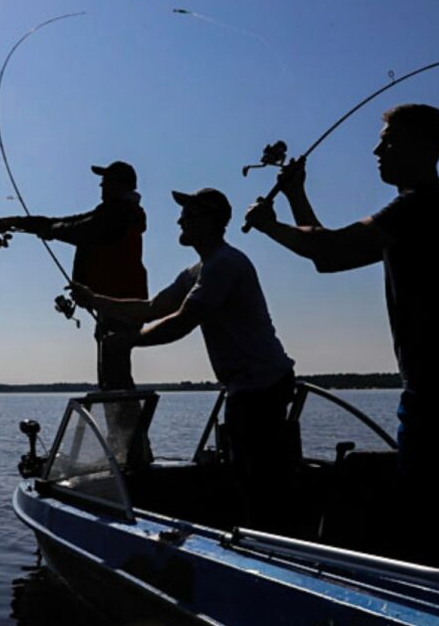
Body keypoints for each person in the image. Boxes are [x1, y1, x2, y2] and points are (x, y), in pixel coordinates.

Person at [243, 103, 439, 567]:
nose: (376, 149)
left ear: (424, 147)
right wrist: (296, 195)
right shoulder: (423, 211)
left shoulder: (424, 205)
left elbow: (328, 246)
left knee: (437, 517)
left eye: (389, 139)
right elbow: (329, 256)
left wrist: (268, 225)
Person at [71, 188, 296, 529]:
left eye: (189, 215)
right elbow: (151, 308)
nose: (180, 220)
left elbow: (183, 321)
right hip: (245, 388)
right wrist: (95, 299)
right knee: (247, 477)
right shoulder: (197, 270)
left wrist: (130, 343)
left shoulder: (224, 265)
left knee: (259, 483)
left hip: (261, 388)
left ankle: (268, 547)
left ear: (210, 221)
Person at [0, 161, 148, 391]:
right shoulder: (111, 212)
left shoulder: (120, 214)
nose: (101, 185)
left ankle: (126, 427)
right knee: (112, 376)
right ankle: (124, 426)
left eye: (106, 182)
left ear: (122, 185)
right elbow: (69, 222)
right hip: (112, 305)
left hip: (121, 306)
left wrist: (50, 231)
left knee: (115, 377)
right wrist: (17, 222)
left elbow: (79, 229)